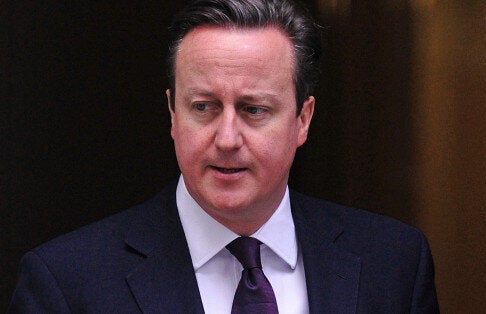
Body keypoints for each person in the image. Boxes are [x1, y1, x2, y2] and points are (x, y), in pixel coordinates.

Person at [8, 0, 439, 312]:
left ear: (302, 119)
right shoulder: (67, 283)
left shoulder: (394, 264)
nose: (227, 138)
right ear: (173, 114)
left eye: (254, 110)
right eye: (204, 107)